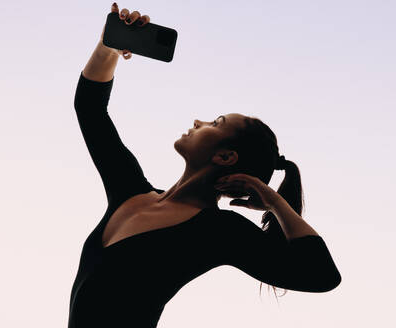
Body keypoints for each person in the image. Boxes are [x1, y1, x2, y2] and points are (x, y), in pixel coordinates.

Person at [68, 3, 341, 327]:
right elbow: (89, 108)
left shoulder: (219, 232)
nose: (199, 121)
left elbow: (321, 275)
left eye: (215, 122)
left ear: (225, 157)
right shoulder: (128, 188)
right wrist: (108, 45)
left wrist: (275, 202)